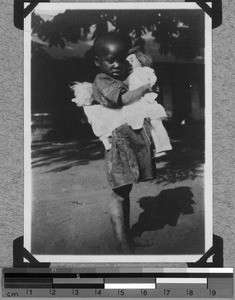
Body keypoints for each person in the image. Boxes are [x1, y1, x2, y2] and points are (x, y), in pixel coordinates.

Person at [71, 33, 156, 253]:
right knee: (119, 193)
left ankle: (127, 237)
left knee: (124, 191)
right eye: (111, 60)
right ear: (98, 62)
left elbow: (126, 86)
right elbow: (123, 99)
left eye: (121, 59)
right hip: (117, 145)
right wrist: (143, 88)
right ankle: (122, 244)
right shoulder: (102, 80)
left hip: (125, 143)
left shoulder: (116, 79)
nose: (117, 65)